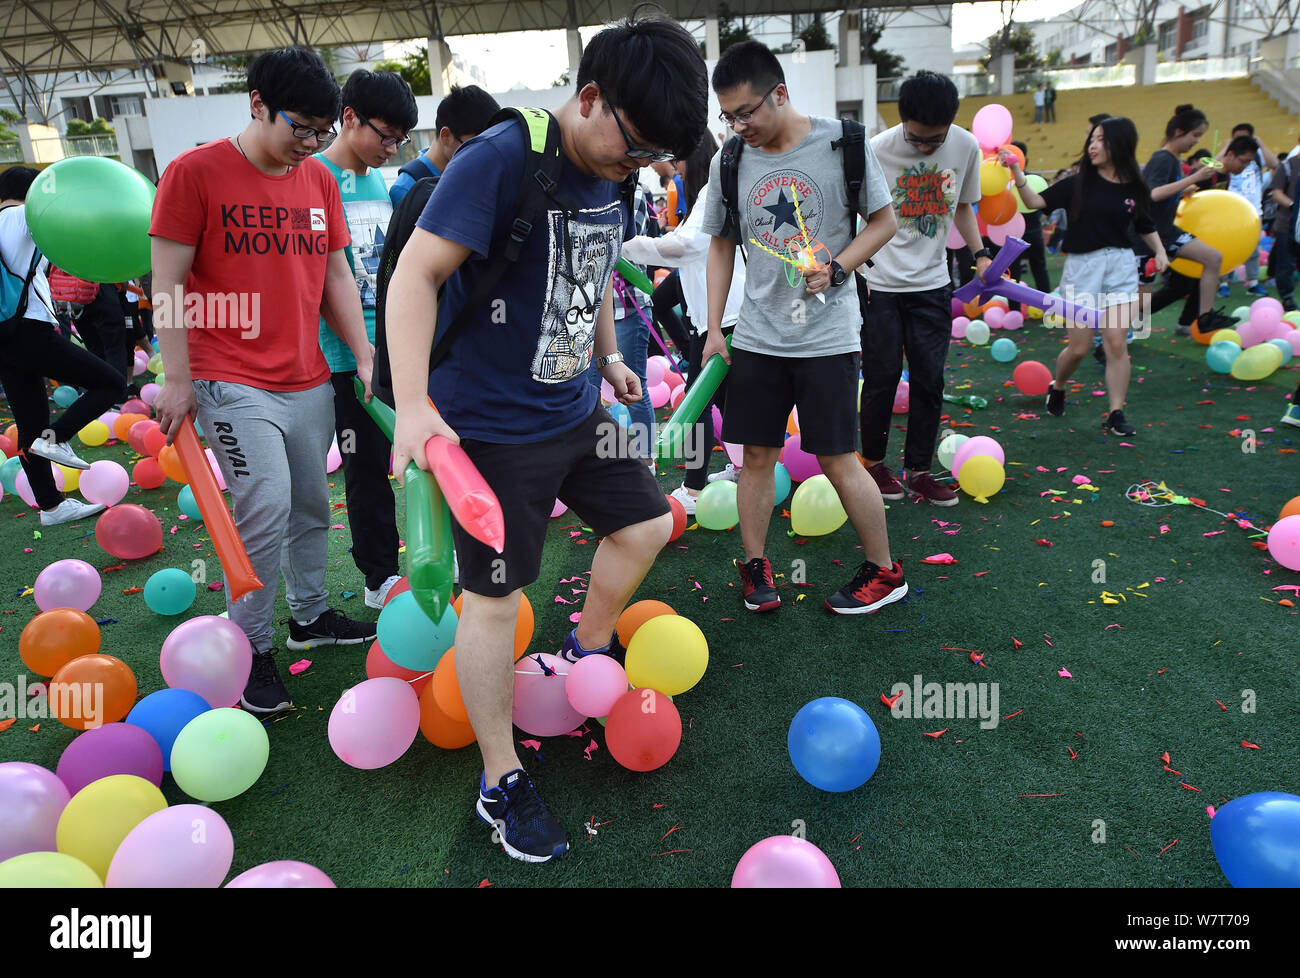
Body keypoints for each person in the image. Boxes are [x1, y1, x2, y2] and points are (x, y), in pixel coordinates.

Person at [386, 8, 708, 864]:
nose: (636, 165)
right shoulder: (501, 158)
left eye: (651, 158)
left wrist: (606, 357)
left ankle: (585, 646)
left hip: (574, 412)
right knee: (495, 601)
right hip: (489, 429)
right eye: (632, 146)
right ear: (591, 98)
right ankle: (501, 780)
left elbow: (592, 261)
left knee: (645, 524)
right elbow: (416, 275)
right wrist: (414, 407)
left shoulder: (616, 170)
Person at [150, 47, 380, 716]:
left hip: (306, 376)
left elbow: (336, 274)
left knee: (311, 504)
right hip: (229, 377)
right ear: (256, 104)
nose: (310, 144)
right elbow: (165, 282)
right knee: (265, 509)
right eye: (299, 127)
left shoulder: (317, 181)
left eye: (321, 131)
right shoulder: (193, 174)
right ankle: (249, 651)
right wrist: (178, 377)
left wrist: (364, 355)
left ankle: (309, 617)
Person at [701, 41, 905, 616]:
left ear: (781, 94)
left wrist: (840, 266)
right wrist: (716, 328)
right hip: (760, 334)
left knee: (839, 456)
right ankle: (756, 565)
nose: (738, 126)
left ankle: (886, 571)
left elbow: (884, 221)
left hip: (828, 335)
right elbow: (720, 244)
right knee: (757, 455)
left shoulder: (843, 142)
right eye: (728, 116)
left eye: (747, 112)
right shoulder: (730, 161)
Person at [316, 69, 419, 609]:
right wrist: (359, 352)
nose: (392, 147)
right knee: (366, 467)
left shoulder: (378, 180)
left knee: (413, 453)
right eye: (386, 135)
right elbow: (321, 282)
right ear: (349, 117)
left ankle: (415, 562)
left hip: (389, 346)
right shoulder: (314, 176)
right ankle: (379, 576)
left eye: (401, 139)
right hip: (343, 357)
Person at [860, 71, 986, 508]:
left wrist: (980, 253)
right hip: (880, 284)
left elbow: (965, 205)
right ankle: (873, 464)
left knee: (930, 379)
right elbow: (862, 219)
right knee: (881, 378)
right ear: (902, 122)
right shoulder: (876, 150)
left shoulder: (966, 146)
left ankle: (919, 471)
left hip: (933, 284)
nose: (927, 148)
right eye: (917, 140)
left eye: (936, 140)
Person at [1011, 117, 1167, 437]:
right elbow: (1034, 202)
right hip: (1083, 268)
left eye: (1101, 139)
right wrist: (1016, 172)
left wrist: (1160, 251)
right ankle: (1059, 384)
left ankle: (1116, 412)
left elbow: (1144, 224)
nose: (1093, 145)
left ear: (1119, 145)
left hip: (1121, 267)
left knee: (1116, 343)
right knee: (1080, 347)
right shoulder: (1078, 183)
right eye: (1092, 139)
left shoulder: (1133, 186)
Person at [621, 133, 746, 514]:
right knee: (725, 400)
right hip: (715, 313)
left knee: (698, 404)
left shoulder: (711, 191)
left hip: (722, 317)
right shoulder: (707, 190)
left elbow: (682, 246)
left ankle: (692, 491)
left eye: (677, 161)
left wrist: (623, 246)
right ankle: (743, 469)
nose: (673, 168)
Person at [0, 166, 122, 525]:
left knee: (30, 424)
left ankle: (50, 505)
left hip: (4, 337)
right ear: (33, 191)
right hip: (29, 329)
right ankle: (59, 437)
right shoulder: (26, 215)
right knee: (110, 382)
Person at [1135, 105, 1230, 338]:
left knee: (1213, 257)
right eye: (1195, 135)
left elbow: (1162, 193)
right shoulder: (1163, 158)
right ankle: (1103, 341)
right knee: (1136, 304)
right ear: (1178, 132)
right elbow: (1153, 194)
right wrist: (1194, 177)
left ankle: (1205, 317)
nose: (1196, 141)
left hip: (1166, 233)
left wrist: (1183, 189)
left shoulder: (1174, 160)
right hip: (1145, 238)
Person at [388, 85, 500, 207]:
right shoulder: (406, 189)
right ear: (446, 136)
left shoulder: (470, 177)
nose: (482, 159)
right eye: (475, 149)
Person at [1218, 123, 1279, 298]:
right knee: (1225, 247)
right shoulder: (1230, 157)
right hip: (1231, 209)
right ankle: (1223, 283)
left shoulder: (1257, 155)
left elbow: (1275, 164)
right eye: (1238, 138)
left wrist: (1260, 144)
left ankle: (1253, 283)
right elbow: (1215, 166)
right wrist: (1227, 147)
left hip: (1254, 211)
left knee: (1253, 249)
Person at [1010, 140, 1051, 293]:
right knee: (1038, 268)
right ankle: (1049, 306)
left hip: (1018, 234)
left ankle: (1014, 310)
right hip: (1031, 231)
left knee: (1014, 273)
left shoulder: (1010, 183)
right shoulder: (1033, 179)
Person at [1269, 138, 1300, 312]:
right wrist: (1294, 206)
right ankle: (1287, 297)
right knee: (1285, 262)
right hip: (1288, 223)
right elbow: (1277, 193)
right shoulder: (1288, 166)